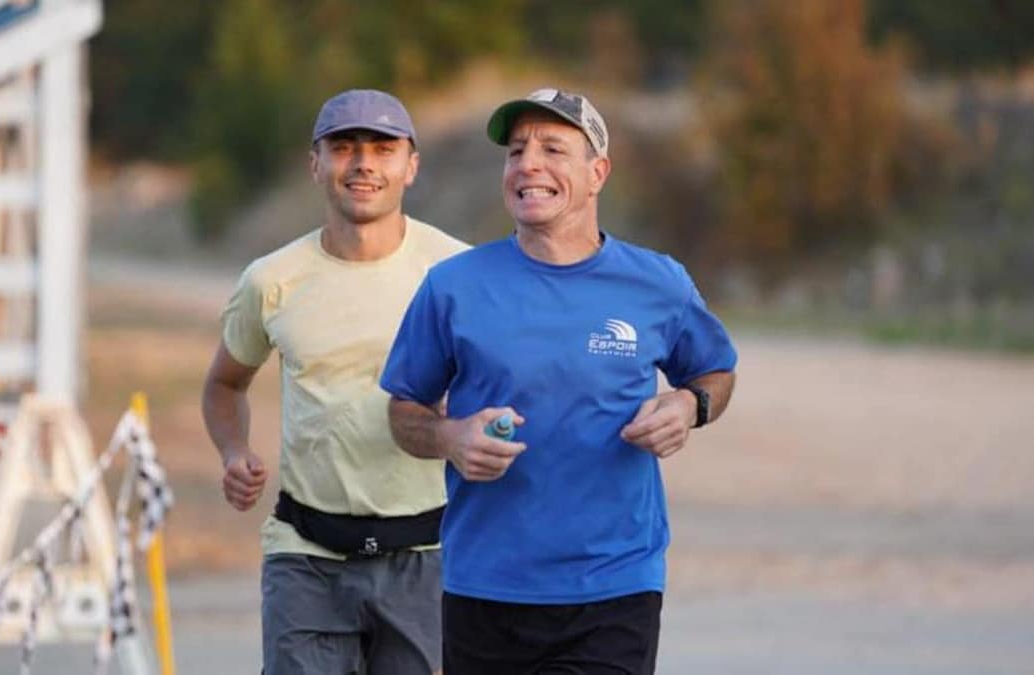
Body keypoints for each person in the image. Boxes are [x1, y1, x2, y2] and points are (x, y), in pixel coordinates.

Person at [380, 88, 738, 674]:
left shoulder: (657, 283)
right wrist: (451, 438)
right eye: (516, 151)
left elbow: (716, 372)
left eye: (553, 148)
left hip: (614, 585)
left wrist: (690, 404)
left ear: (598, 173)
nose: (528, 165)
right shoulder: (452, 287)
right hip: (484, 587)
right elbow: (403, 411)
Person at [201, 89, 468, 675]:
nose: (364, 163)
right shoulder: (271, 280)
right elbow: (225, 383)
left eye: (382, 148)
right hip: (307, 556)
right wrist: (233, 450)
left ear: (411, 165)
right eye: (344, 147)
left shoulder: (458, 273)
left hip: (429, 557)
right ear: (315, 164)